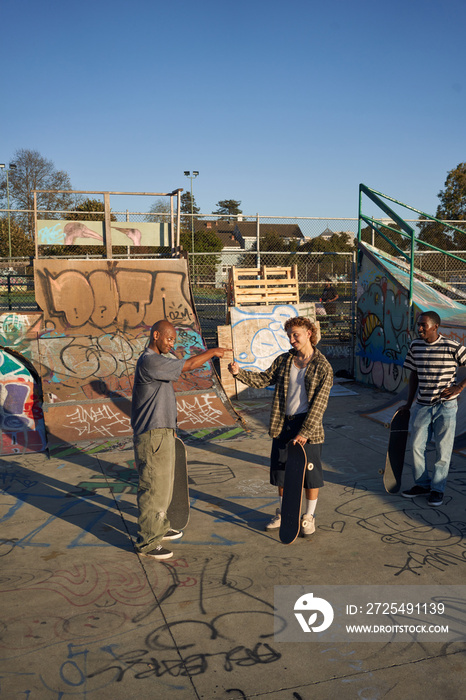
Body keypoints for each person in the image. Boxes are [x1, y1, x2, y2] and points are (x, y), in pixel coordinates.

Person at [131, 320, 231, 560]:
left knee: (165, 488)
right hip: (152, 433)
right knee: (154, 487)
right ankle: (147, 541)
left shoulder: (158, 361)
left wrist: (171, 428)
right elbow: (189, 365)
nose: (171, 343)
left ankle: (161, 527)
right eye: (168, 339)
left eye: (173, 340)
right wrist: (212, 353)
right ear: (156, 336)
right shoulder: (150, 361)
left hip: (163, 431)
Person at [228, 316, 333, 537]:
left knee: (309, 475)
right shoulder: (285, 360)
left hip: (308, 426)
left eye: (296, 334)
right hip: (283, 424)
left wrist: (305, 432)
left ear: (309, 334)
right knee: (282, 473)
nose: (292, 339)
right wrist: (239, 373)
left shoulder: (323, 366)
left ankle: (308, 517)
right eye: (289, 335)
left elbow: (319, 404)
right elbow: (264, 379)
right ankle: (285, 514)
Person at [401, 311, 466, 507]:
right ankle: (422, 484)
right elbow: (414, 375)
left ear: (436, 327)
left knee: (442, 449)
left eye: (423, 325)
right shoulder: (415, 346)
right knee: (416, 447)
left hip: (445, 406)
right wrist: (408, 402)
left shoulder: (451, 346)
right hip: (422, 405)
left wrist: (459, 386)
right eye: (418, 325)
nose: (419, 328)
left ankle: (437, 490)